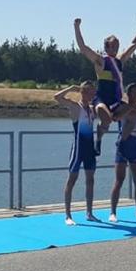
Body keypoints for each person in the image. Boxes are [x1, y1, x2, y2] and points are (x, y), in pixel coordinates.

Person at [73, 17, 136, 155]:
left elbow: (134, 44)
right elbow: (83, 47)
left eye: (117, 46)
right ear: (106, 47)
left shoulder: (120, 61)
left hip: (115, 100)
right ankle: (99, 138)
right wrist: (77, 27)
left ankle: (121, 139)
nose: (116, 48)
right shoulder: (101, 61)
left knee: (135, 112)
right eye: (113, 46)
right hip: (101, 99)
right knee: (106, 120)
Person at [54, 82, 99, 226]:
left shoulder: (92, 109)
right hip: (78, 149)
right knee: (72, 180)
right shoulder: (75, 107)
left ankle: (89, 213)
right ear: (83, 92)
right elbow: (57, 97)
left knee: (90, 180)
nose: (92, 95)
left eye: (93, 92)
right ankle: (68, 215)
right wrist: (71, 88)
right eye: (89, 92)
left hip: (89, 150)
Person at [109, 83, 136, 222]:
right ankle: (113, 212)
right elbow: (115, 118)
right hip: (123, 146)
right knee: (119, 180)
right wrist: (128, 109)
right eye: (134, 93)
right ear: (128, 94)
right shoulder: (122, 107)